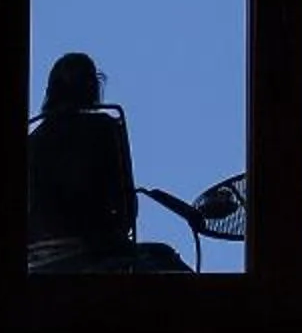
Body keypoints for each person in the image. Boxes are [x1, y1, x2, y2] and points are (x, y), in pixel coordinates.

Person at [27, 53, 187, 271]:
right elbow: (126, 208)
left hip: (37, 261)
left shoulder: (32, 141)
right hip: (92, 253)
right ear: (93, 87)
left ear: (51, 92)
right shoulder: (105, 128)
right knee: (166, 260)